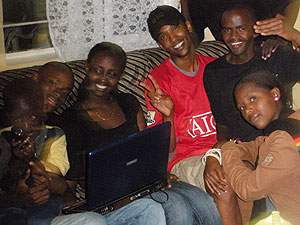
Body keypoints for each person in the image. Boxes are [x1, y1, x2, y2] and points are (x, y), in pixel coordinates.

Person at [53, 41, 222, 225]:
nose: (103, 79)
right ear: (87, 68)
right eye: (98, 70)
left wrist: (159, 169)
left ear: (120, 76)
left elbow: (149, 148)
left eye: (112, 74)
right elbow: (78, 180)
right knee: (176, 206)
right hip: (113, 195)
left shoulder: (128, 102)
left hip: (147, 182)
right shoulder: (70, 119)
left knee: (205, 203)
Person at [202, 3, 300, 224]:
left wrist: (293, 36)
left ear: (254, 30)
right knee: (226, 179)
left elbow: (248, 188)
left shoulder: (274, 54)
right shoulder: (214, 72)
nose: (233, 36)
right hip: (248, 149)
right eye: (227, 29)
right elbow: (222, 123)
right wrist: (217, 155)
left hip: (283, 143)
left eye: (241, 28)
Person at [142, 5, 218, 191]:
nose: (173, 39)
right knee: (223, 178)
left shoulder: (216, 68)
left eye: (175, 28)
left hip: (224, 150)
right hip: (188, 159)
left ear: (188, 26)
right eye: (163, 36)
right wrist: (168, 115)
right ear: (160, 45)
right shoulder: (157, 82)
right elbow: (163, 152)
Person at [222, 69, 300, 225]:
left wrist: (226, 150)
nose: (248, 110)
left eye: (253, 98)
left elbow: (248, 189)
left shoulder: (283, 140)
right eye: (242, 108)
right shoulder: (289, 125)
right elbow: (258, 145)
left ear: (275, 94)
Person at [0, 78, 71, 225]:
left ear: (42, 110)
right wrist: (16, 159)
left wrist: (31, 159)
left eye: (33, 117)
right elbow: (5, 181)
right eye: (18, 119)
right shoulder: (3, 138)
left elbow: (56, 175)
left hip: (47, 199)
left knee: (39, 221)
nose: (26, 125)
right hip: (11, 204)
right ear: (8, 116)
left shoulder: (55, 135)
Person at [180, 0, 299, 48]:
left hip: (273, 50)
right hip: (234, 61)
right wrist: (184, 3)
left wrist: (282, 38)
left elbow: (292, 1)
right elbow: (192, 42)